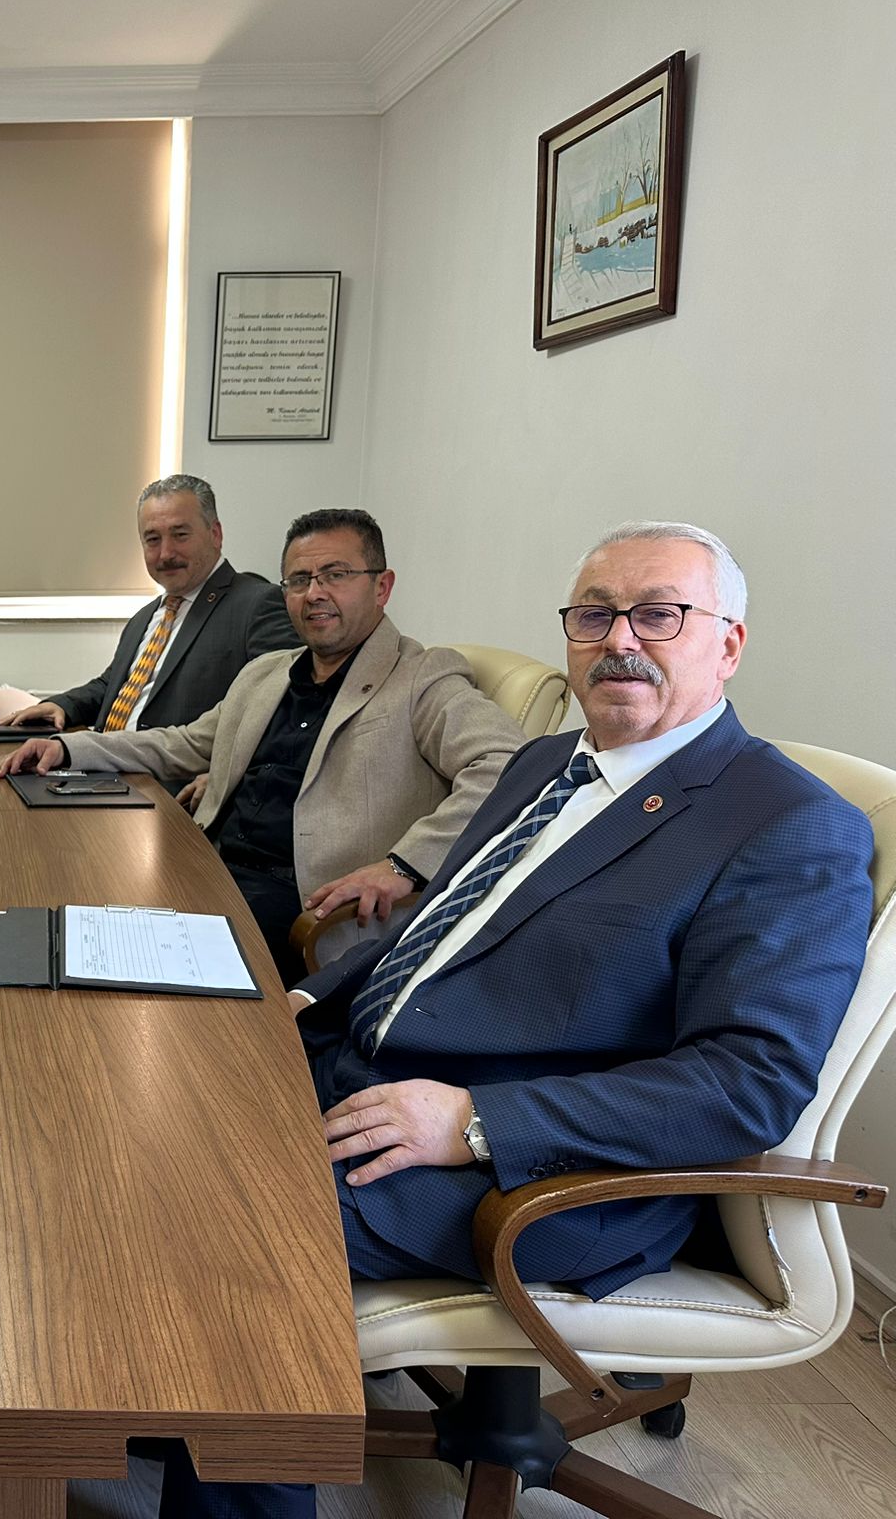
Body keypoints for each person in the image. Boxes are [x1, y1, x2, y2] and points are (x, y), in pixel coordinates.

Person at [148, 521, 874, 1519]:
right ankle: (165, 1392)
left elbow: (749, 1083)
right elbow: (436, 929)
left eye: (659, 614)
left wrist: (476, 1122)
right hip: (374, 1068)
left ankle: (226, 1436)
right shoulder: (543, 765)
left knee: (237, 1231)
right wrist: (310, 997)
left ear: (728, 643)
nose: (619, 640)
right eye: (593, 615)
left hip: (540, 1167)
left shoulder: (788, 825)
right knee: (144, 1118)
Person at [0, 509, 522, 983]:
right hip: (207, 866)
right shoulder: (266, 674)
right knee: (63, 904)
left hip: (300, 904)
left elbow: (509, 764)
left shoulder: (422, 676)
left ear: (381, 587)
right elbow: (185, 743)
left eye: (336, 575)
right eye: (299, 580)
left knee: (113, 967)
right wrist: (71, 749)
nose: (314, 593)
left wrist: (403, 866)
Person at [3, 475, 295, 733]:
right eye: (153, 539)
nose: (166, 553)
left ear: (215, 534)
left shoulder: (257, 604)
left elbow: (281, 710)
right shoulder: (147, 617)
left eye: (180, 535)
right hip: (106, 763)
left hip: (172, 774)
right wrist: (62, 705)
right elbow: (111, 685)